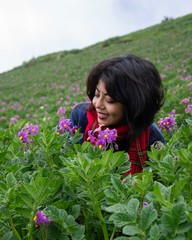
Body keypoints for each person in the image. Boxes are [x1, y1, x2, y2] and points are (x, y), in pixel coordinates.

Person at [70, 54, 165, 174]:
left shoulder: (152, 136)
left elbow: (158, 179)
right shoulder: (80, 116)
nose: (98, 104)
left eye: (110, 100)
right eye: (97, 94)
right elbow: (69, 162)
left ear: (133, 105)